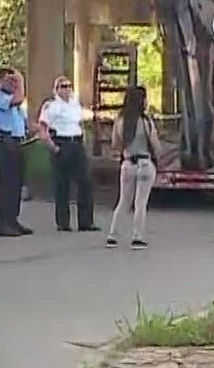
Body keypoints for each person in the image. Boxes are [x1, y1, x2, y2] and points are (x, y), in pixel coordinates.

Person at [37, 76, 97, 232]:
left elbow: (79, 123)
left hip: (76, 142)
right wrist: (53, 147)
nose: (67, 89)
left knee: (85, 182)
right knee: (62, 184)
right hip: (61, 143)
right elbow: (43, 129)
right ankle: (63, 222)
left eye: (69, 86)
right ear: (56, 89)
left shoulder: (74, 103)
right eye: (63, 86)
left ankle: (86, 222)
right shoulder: (51, 106)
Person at [106, 85, 159, 249]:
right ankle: (137, 237)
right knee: (140, 202)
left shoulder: (120, 121)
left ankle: (112, 235)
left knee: (124, 200)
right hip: (144, 163)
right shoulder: (146, 121)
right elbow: (155, 145)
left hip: (128, 163)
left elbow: (115, 144)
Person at [0, 67, 32, 237]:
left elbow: (24, 121)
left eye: (14, 81)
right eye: (9, 80)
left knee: (17, 184)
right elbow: (18, 99)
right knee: (8, 184)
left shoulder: (12, 101)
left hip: (17, 142)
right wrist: (21, 80)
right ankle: (3, 223)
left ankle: (13, 219)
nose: (13, 84)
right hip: (5, 143)